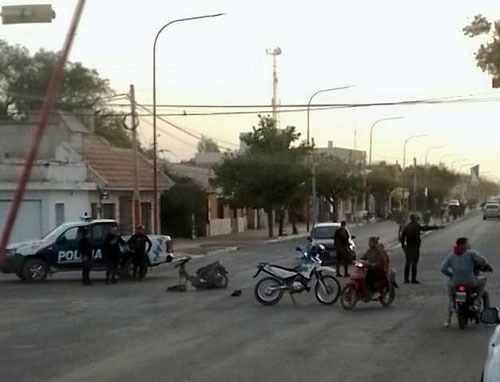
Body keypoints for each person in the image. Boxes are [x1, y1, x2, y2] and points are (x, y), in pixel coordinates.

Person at [440, 237, 490, 327]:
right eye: (467, 243)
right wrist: (484, 264)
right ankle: (477, 301)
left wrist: (451, 275)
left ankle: (449, 316)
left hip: (455, 282)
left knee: (451, 295)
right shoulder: (471, 253)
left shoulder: (451, 256)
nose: (468, 245)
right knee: (483, 281)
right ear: (464, 244)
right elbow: (483, 261)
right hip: (470, 281)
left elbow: (442, 269)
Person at [400, 214, 422, 284]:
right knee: (414, 263)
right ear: (415, 219)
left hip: (408, 247)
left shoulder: (407, 227)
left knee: (407, 262)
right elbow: (425, 228)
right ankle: (413, 279)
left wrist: (403, 246)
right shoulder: (417, 226)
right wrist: (436, 227)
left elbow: (402, 237)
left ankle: (406, 279)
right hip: (415, 246)